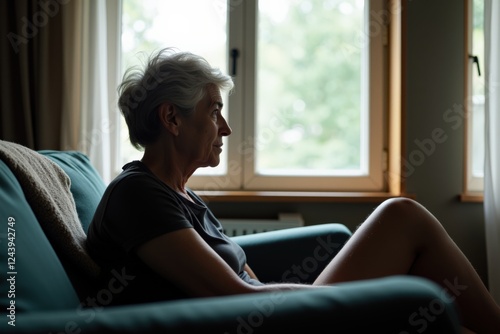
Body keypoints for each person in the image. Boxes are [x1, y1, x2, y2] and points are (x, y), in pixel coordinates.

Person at [86, 48, 500, 333]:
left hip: (258, 314)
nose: (226, 128)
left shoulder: (183, 196)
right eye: (214, 111)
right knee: (401, 217)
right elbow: (230, 295)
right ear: (171, 118)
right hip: (245, 322)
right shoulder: (137, 195)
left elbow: (244, 277)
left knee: (439, 316)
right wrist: (350, 300)